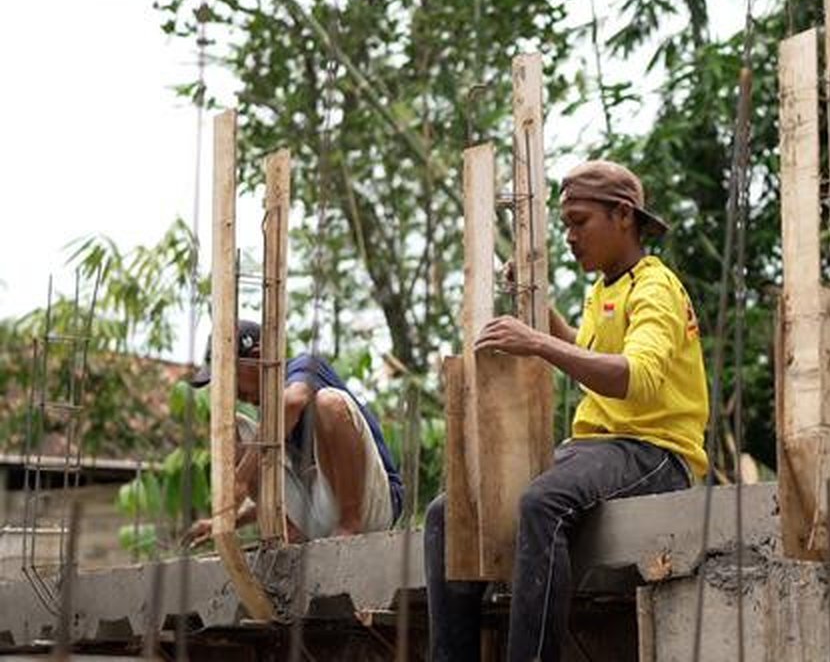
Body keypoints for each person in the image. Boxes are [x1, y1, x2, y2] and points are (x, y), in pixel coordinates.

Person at [424, 160, 709, 661]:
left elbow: (633, 378)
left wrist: (535, 342)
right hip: (599, 449)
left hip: (657, 453)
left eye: (580, 222)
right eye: (567, 226)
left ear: (623, 215)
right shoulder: (605, 289)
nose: (571, 237)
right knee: (449, 512)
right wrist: (543, 316)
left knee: (543, 502)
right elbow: (590, 350)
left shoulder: (655, 287)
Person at [185, 321, 403, 545]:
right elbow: (288, 490)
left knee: (328, 403)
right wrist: (227, 521)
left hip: (374, 506)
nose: (233, 393)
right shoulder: (269, 417)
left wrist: (240, 480)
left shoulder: (305, 367)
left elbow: (293, 402)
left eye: (231, 379)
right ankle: (289, 532)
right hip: (322, 515)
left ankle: (350, 522)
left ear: (258, 357)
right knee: (233, 427)